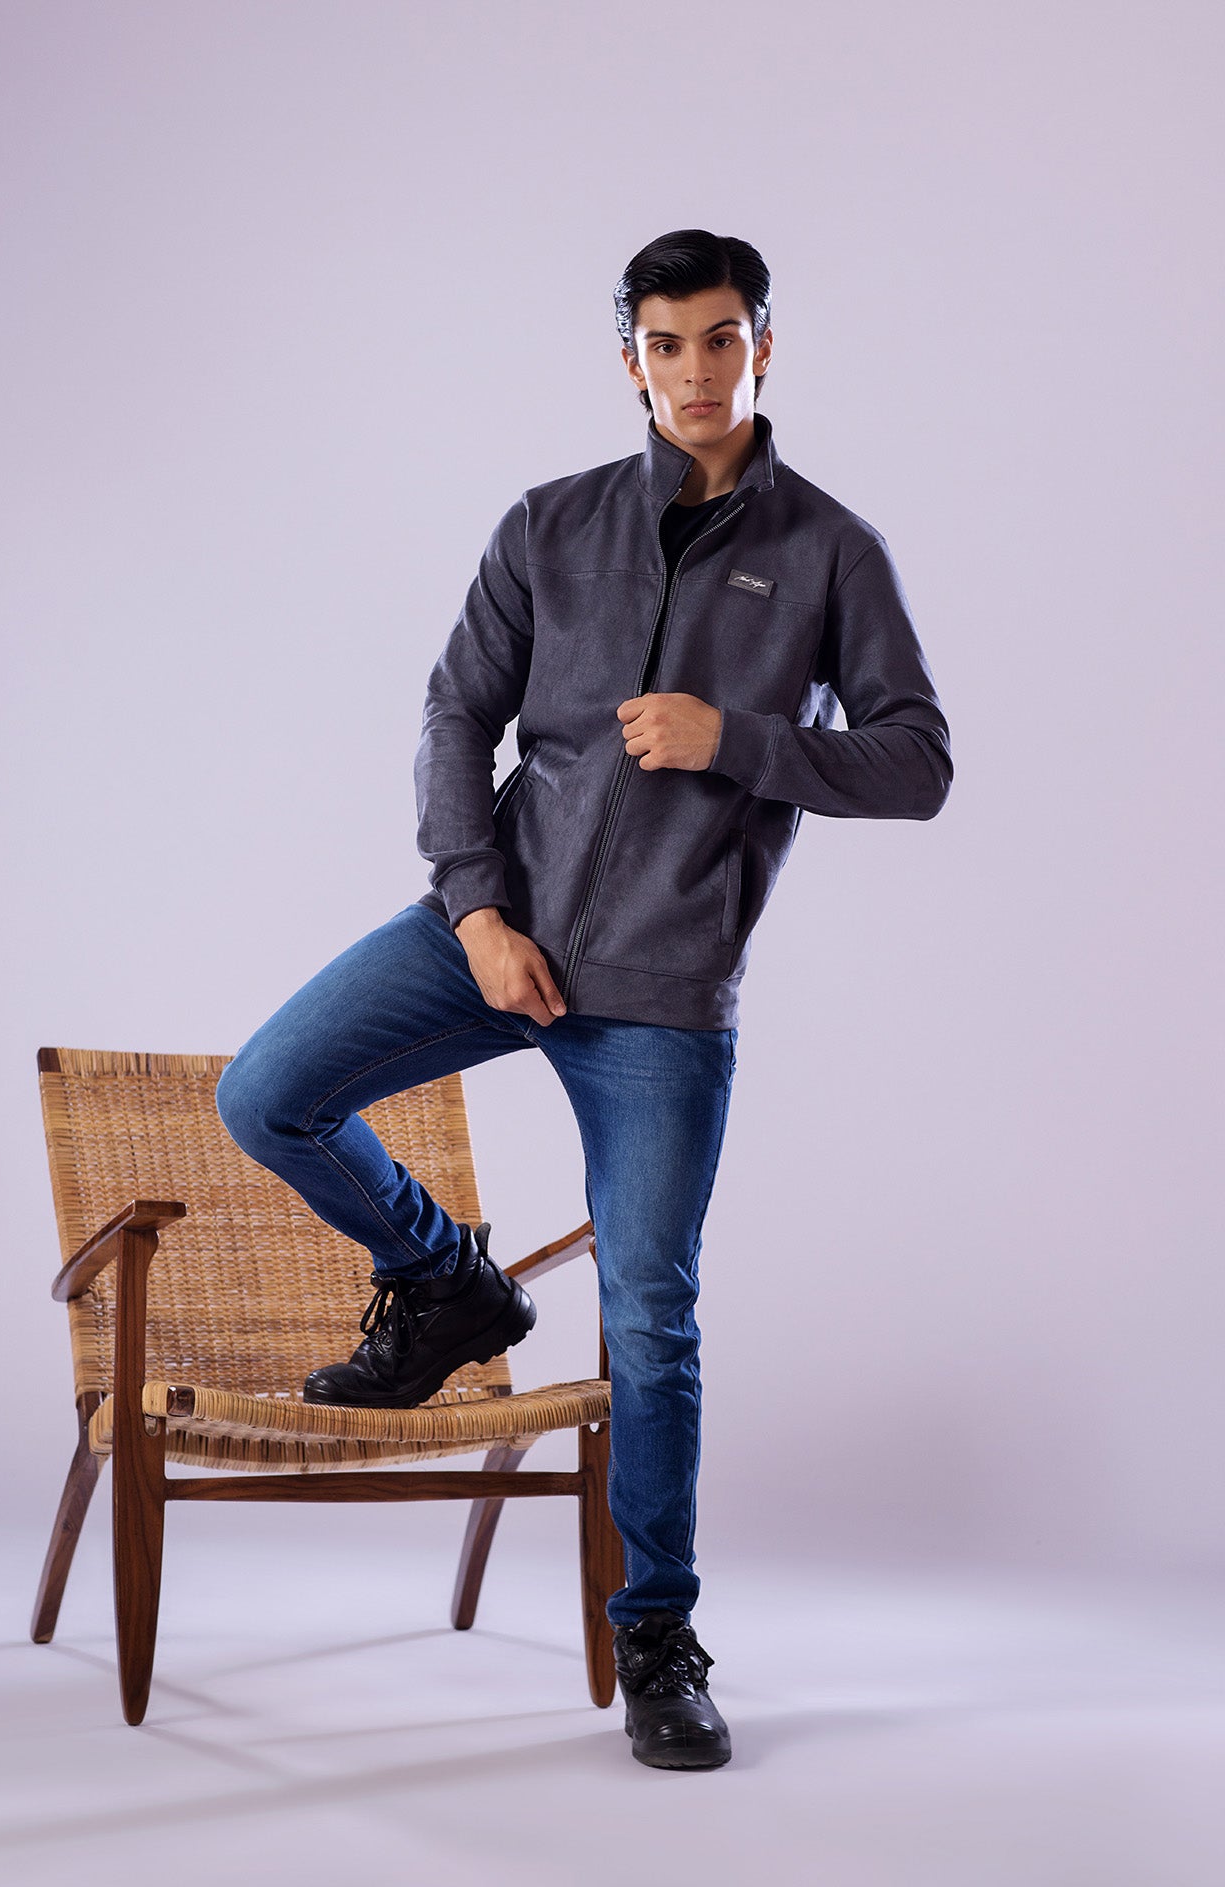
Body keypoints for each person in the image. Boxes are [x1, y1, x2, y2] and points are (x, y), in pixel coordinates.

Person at [214, 227, 953, 1772]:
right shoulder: (549, 526)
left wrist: (736, 736)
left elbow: (918, 761)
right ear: (630, 356)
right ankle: (449, 1284)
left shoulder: (831, 552)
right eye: (668, 343)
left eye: (724, 339)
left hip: (665, 989)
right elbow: (452, 715)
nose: (698, 370)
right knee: (267, 1091)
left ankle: (658, 1636)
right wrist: (478, 912)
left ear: (767, 349)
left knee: (651, 1315)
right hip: (496, 934)